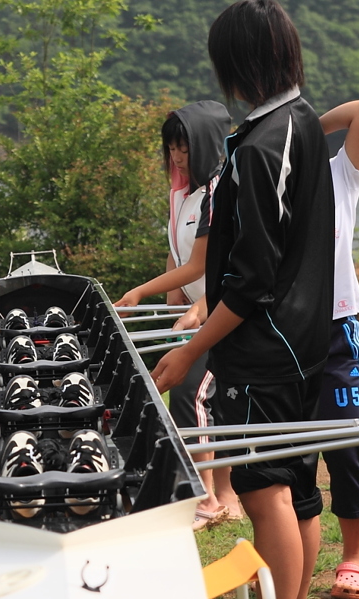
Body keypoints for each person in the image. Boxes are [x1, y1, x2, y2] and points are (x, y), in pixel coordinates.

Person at [150, 2, 334, 599]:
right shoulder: (302, 121)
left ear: (239, 62)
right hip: (302, 342)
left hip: (264, 350)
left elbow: (251, 280)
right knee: (296, 491)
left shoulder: (259, 147)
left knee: (266, 496)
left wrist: (192, 347)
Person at [114, 101, 242, 531]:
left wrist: (136, 292)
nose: (176, 156)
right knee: (194, 397)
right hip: (193, 316)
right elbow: (176, 257)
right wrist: (168, 308)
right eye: (171, 147)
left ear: (206, 145)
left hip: (222, 313)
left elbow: (200, 267)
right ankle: (213, 492)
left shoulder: (216, 194)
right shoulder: (180, 194)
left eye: (184, 147)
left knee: (193, 395)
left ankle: (206, 496)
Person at [316, 99, 359, 599]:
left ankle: (353, 557)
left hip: (338, 329)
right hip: (284, 336)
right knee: (287, 450)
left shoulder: (340, 173)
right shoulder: (274, 183)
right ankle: (287, 552)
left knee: (345, 446)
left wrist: (307, 131)